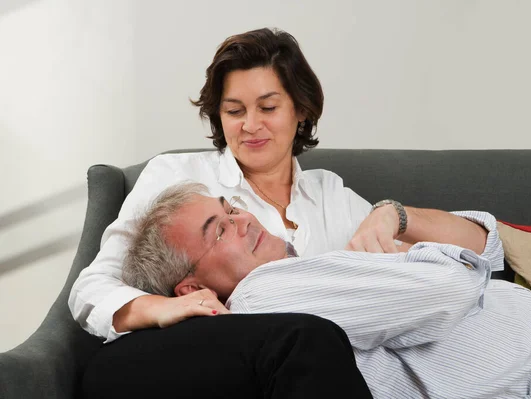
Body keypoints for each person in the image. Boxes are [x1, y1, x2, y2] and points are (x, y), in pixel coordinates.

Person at [69, 26, 501, 342]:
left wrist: (394, 214)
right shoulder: (177, 176)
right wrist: (168, 307)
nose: (250, 126)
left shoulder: (329, 194)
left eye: (268, 107)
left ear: (300, 109)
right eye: (234, 110)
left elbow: (484, 253)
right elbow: (92, 289)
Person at [122, 182, 531, 399]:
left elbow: (485, 254)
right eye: (219, 230)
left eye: (232, 209)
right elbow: (453, 287)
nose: (243, 220)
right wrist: (410, 256)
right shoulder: (263, 294)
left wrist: (399, 237)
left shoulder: (294, 280)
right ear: (192, 286)